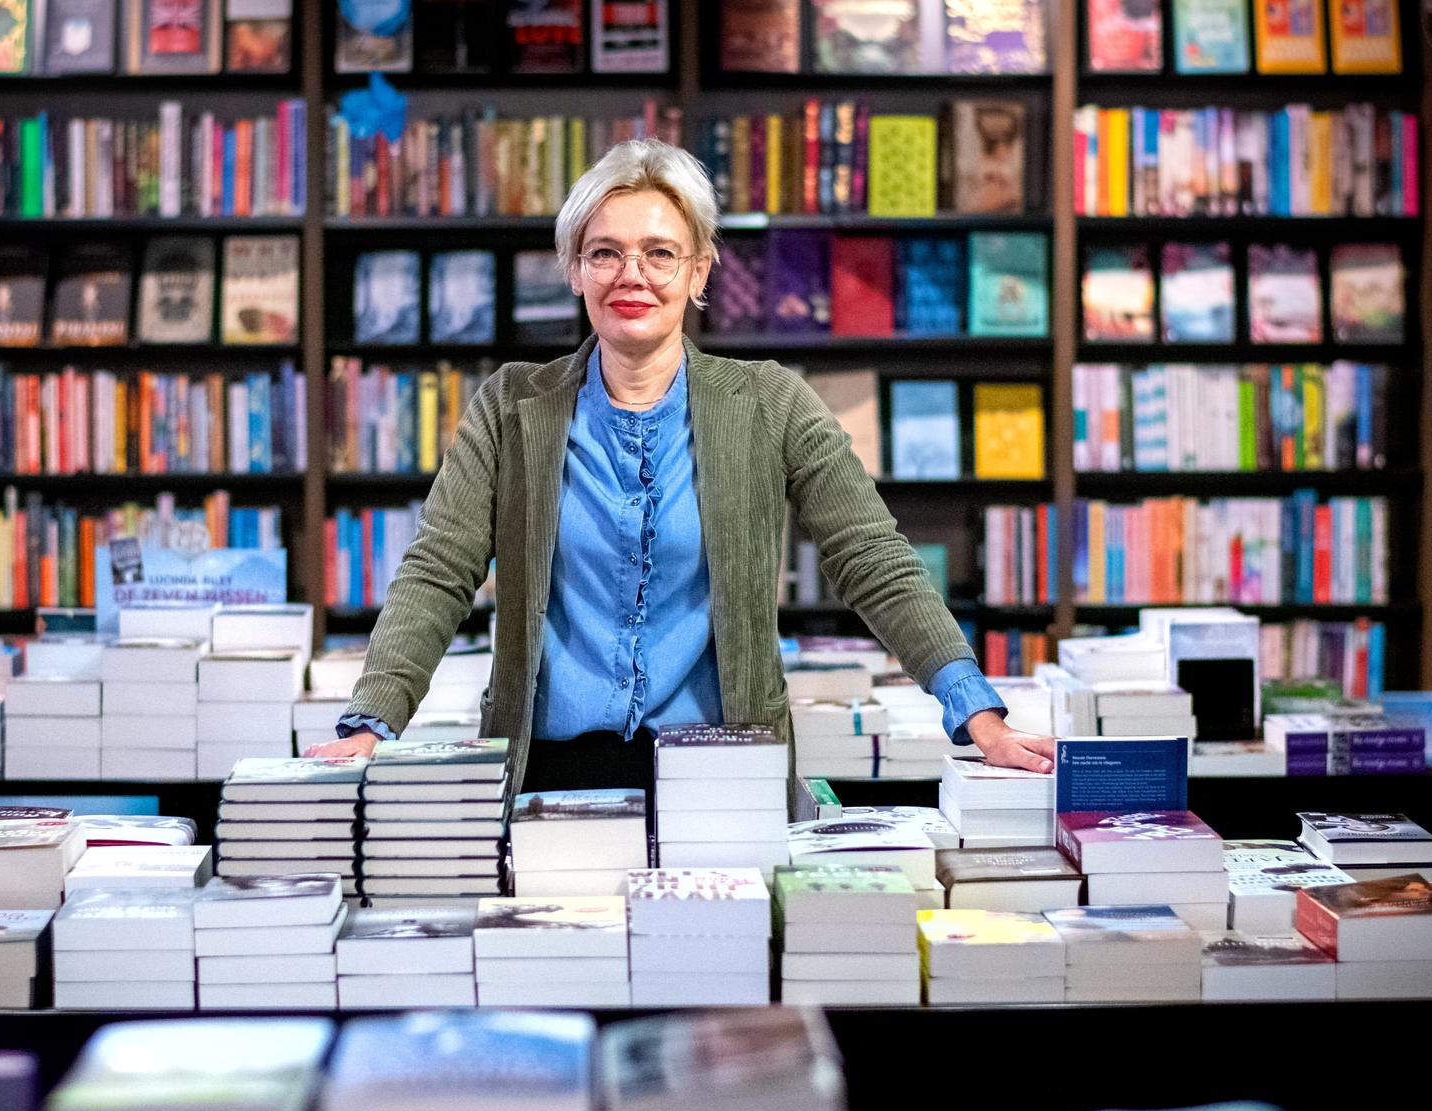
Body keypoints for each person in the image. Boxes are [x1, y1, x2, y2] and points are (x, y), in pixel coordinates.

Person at [311, 139, 1054, 794]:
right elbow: (438, 570)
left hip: (725, 772)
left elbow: (872, 557)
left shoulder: (769, 401)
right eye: (604, 252)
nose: (631, 274)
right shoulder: (512, 408)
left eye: (660, 253)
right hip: (549, 774)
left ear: (699, 273)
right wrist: (372, 720)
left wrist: (974, 710)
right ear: (575, 270)